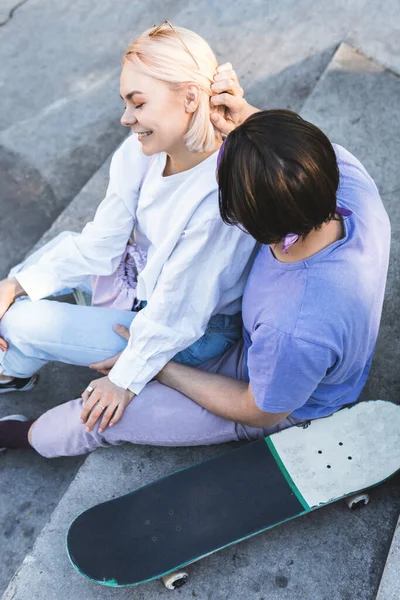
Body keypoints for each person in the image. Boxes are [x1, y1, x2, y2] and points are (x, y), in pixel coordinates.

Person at [0, 64, 390, 458]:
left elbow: (258, 410)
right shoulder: (346, 177)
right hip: (265, 342)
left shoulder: (295, 325)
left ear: (252, 225)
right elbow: (284, 151)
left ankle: (18, 435)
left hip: (271, 395)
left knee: (98, 418)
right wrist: (245, 118)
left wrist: (161, 368)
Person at [0, 24, 257, 430]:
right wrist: (12, 286)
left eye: (137, 103)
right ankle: (14, 366)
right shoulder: (144, 152)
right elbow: (100, 245)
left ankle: (8, 368)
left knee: (19, 323)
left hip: (192, 331)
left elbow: (180, 314)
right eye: (125, 104)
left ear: (190, 97)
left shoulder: (221, 200)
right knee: (46, 263)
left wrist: (125, 378)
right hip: (144, 281)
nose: (125, 119)